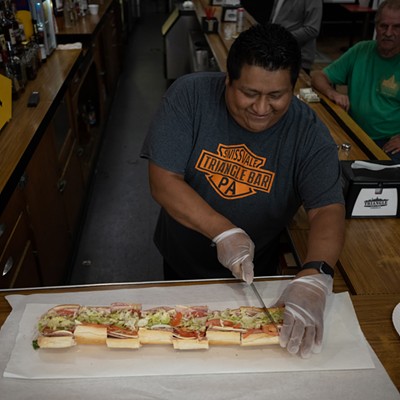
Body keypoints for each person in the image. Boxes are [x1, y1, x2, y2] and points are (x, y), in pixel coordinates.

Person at [140, 23, 345, 358]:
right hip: (181, 260)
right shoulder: (189, 96)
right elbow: (163, 180)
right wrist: (224, 232)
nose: (262, 109)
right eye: (249, 93)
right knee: (182, 346)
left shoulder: (309, 132)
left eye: (276, 96)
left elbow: (326, 208)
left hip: (253, 276)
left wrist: (315, 274)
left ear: (294, 88)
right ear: (227, 80)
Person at [311, 0, 400, 161]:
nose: (388, 32)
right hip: (352, 130)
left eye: (396, 27)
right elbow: (318, 76)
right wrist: (332, 93)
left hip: (388, 142)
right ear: (376, 26)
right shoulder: (361, 50)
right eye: (383, 26)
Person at [269, 0, 323, 74]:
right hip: (275, 54)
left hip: (296, 60)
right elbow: (274, 19)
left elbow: (312, 29)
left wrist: (281, 39)